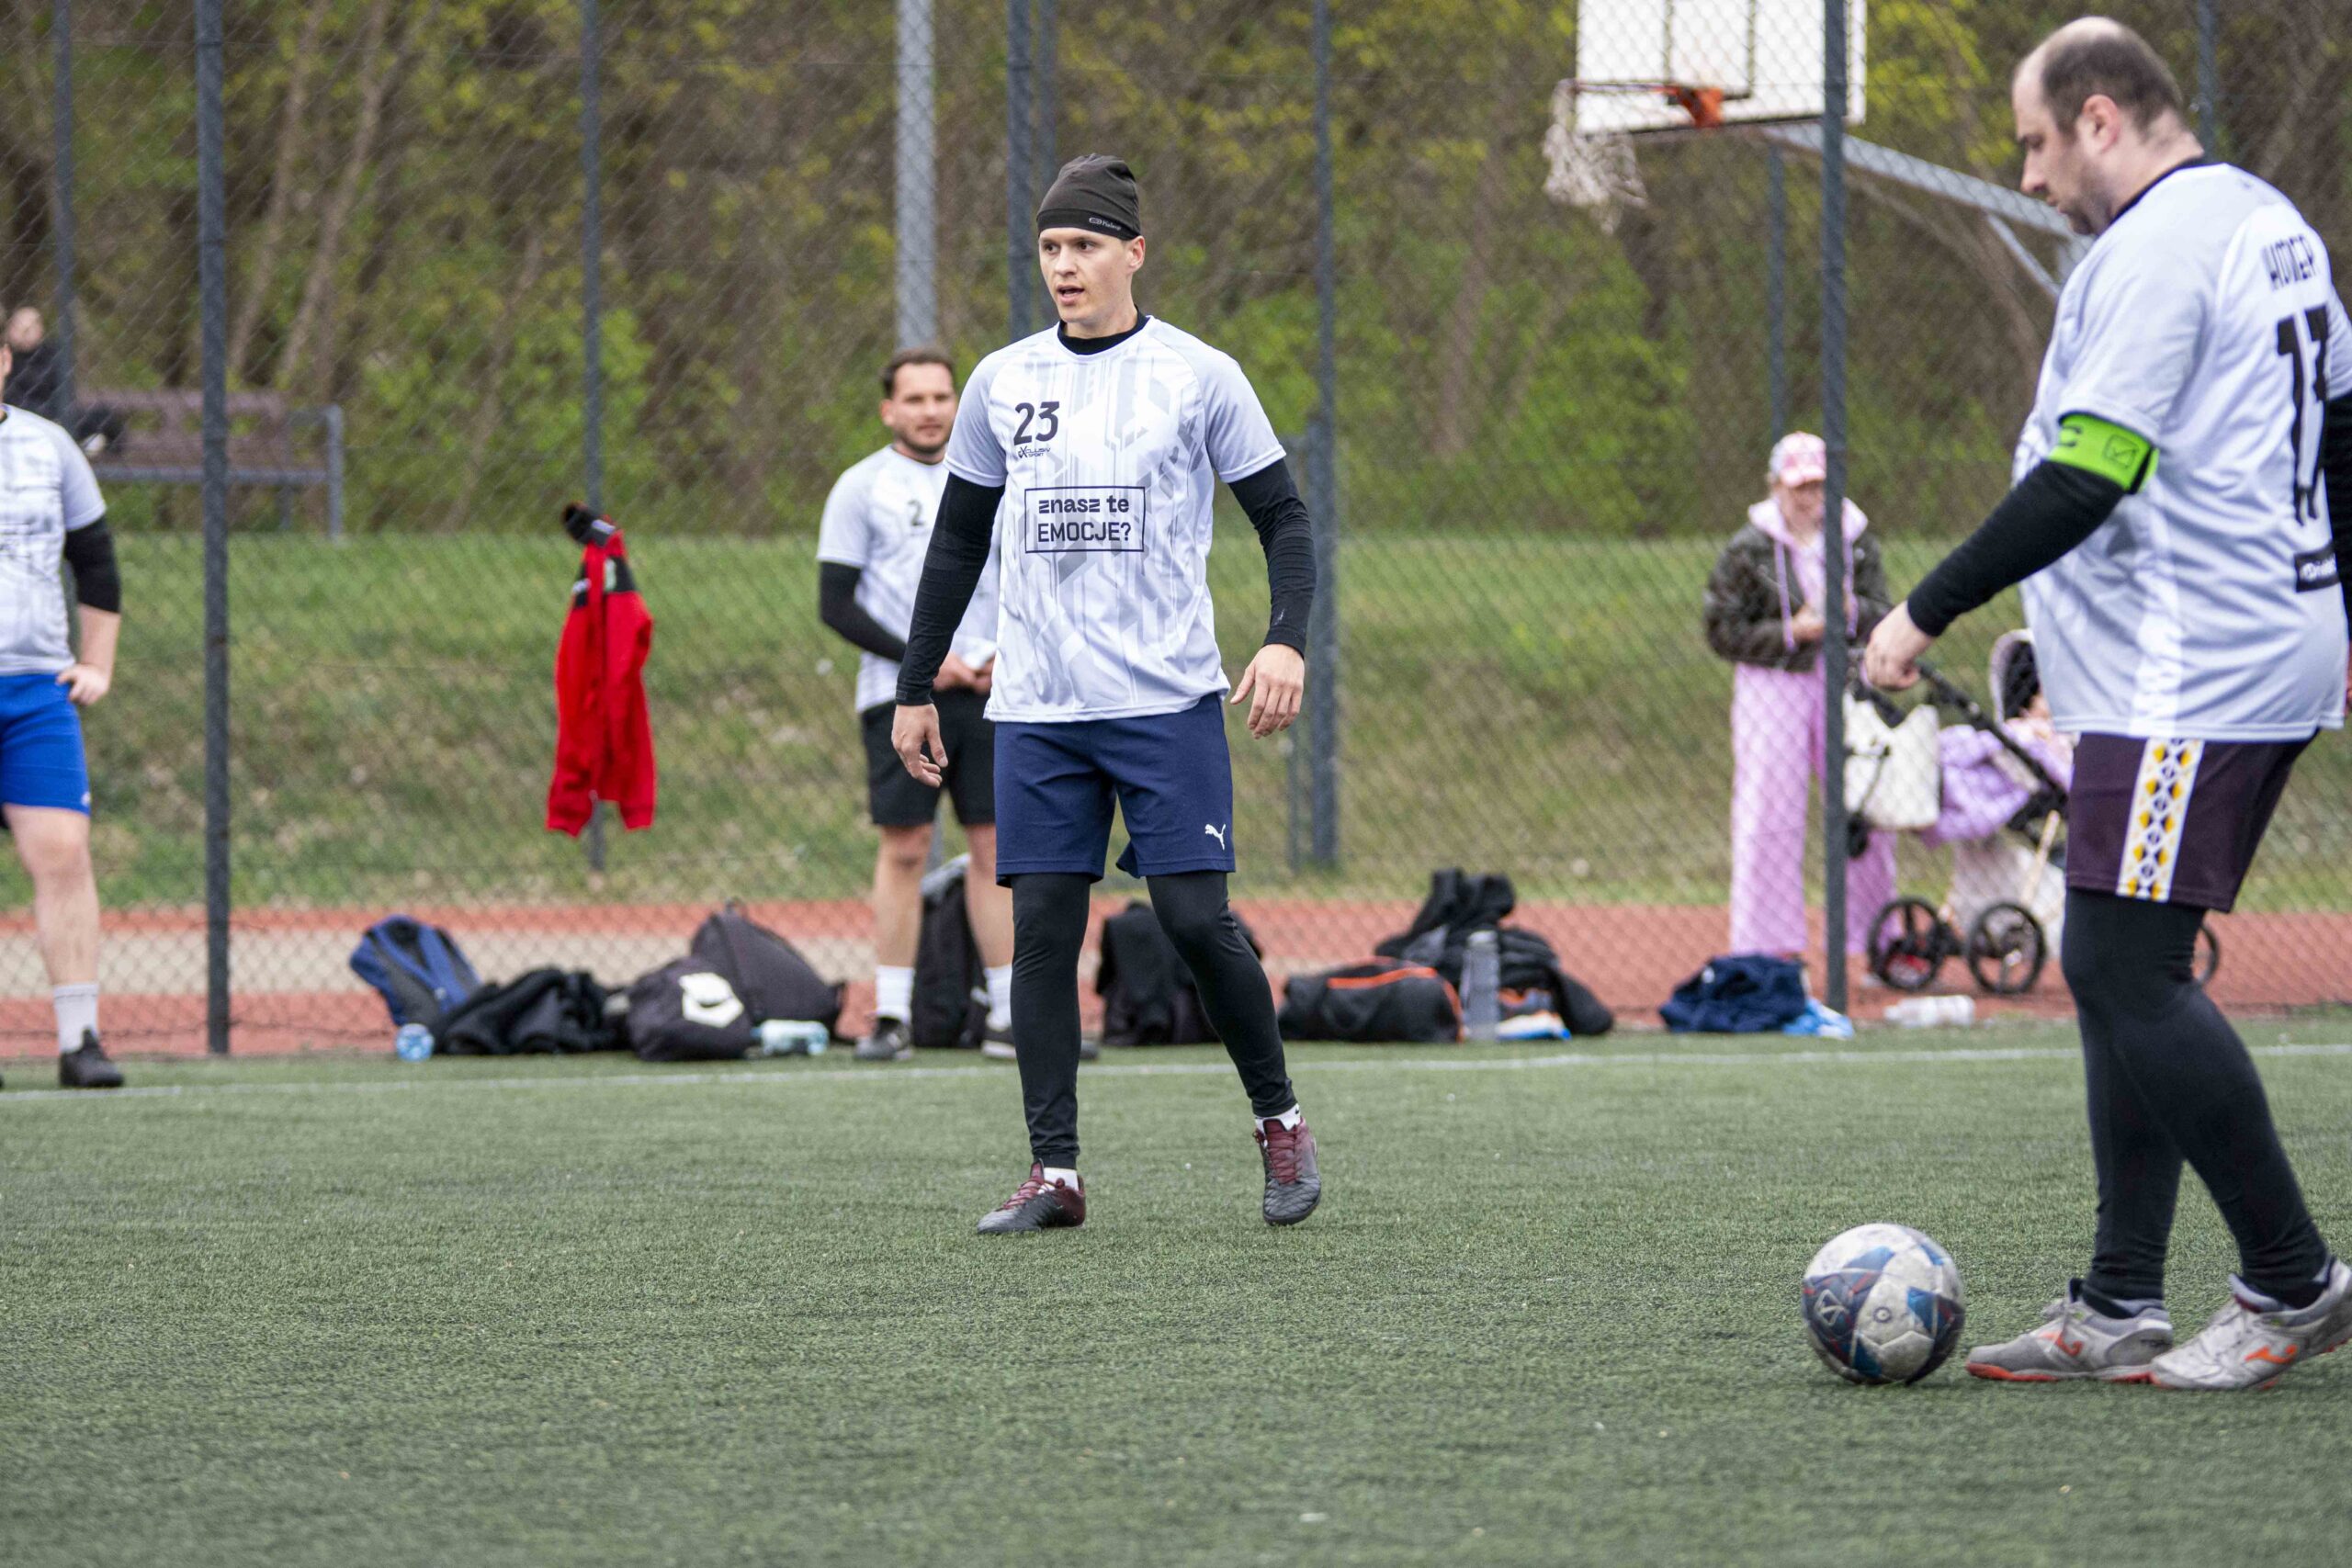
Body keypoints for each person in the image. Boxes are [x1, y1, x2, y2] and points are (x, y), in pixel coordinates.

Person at [1866, 17, 2352, 1390]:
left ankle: (2294, 1281)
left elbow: (2090, 474)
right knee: (2106, 960)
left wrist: (1921, 611)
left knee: (2128, 968)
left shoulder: (2156, 248)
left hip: (2197, 670)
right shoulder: (2264, 217)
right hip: (2213, 653)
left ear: (2098, 118)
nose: (2027, 176)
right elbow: (2339, 430)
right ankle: (2121, 1296)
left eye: (2034, 142)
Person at [890, 153, 1322, 1234]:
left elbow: (1284, 518)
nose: (1065, 265)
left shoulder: (1198, 374)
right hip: (1038, 707)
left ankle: (1278, 1120)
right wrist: (914, 684)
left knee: (1193, 919)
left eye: (1084, 245)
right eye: (1050, 247)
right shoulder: (1002, 381)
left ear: (1134, 252)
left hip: (1164, 699)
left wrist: (1284, 642)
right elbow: (957, 543)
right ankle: (1056, 1175)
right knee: (1042, 927)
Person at [816, 347, 1023, 1064]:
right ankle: (892, 1016)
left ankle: (1009, 1016)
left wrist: (1005, 655)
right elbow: (835, 604)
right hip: (900, 698)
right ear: (889, 410)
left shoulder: (1001, 478)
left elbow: (1034, 577)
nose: (930, 411)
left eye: (941, 397)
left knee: (994, 848)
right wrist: (925, 664)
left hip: (993, 693)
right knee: (904, 848)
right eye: (915, 399)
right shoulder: (860, 487)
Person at [1702, 431, 1894, 965]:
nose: (1810, 499)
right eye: (1798, 487)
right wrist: (1792, 631)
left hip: (1845, 681)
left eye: (1818, 486)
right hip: (1773, 684)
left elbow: (1884, 613)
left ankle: (1872, 938)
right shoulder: (1748, 548)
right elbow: (1721, 629)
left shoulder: (1856, 538)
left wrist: (1852, 612)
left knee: (1864, 804)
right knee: (1771, 811)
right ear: (1775, 487)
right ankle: (1768, 949)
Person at [0, 333, 125, 1089]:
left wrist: (97, 663)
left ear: (4, 361)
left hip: (34, 696)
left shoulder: (49, 447)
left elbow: (96, 561)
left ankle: (80, 1042)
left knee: (62, 852)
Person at [3, 309, 66, 424]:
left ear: (41, 329)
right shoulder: (6, 359)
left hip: (50, 416)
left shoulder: (52, 355)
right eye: (18, 327)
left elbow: (61, 397)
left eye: (29, 329)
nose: (24, 333)